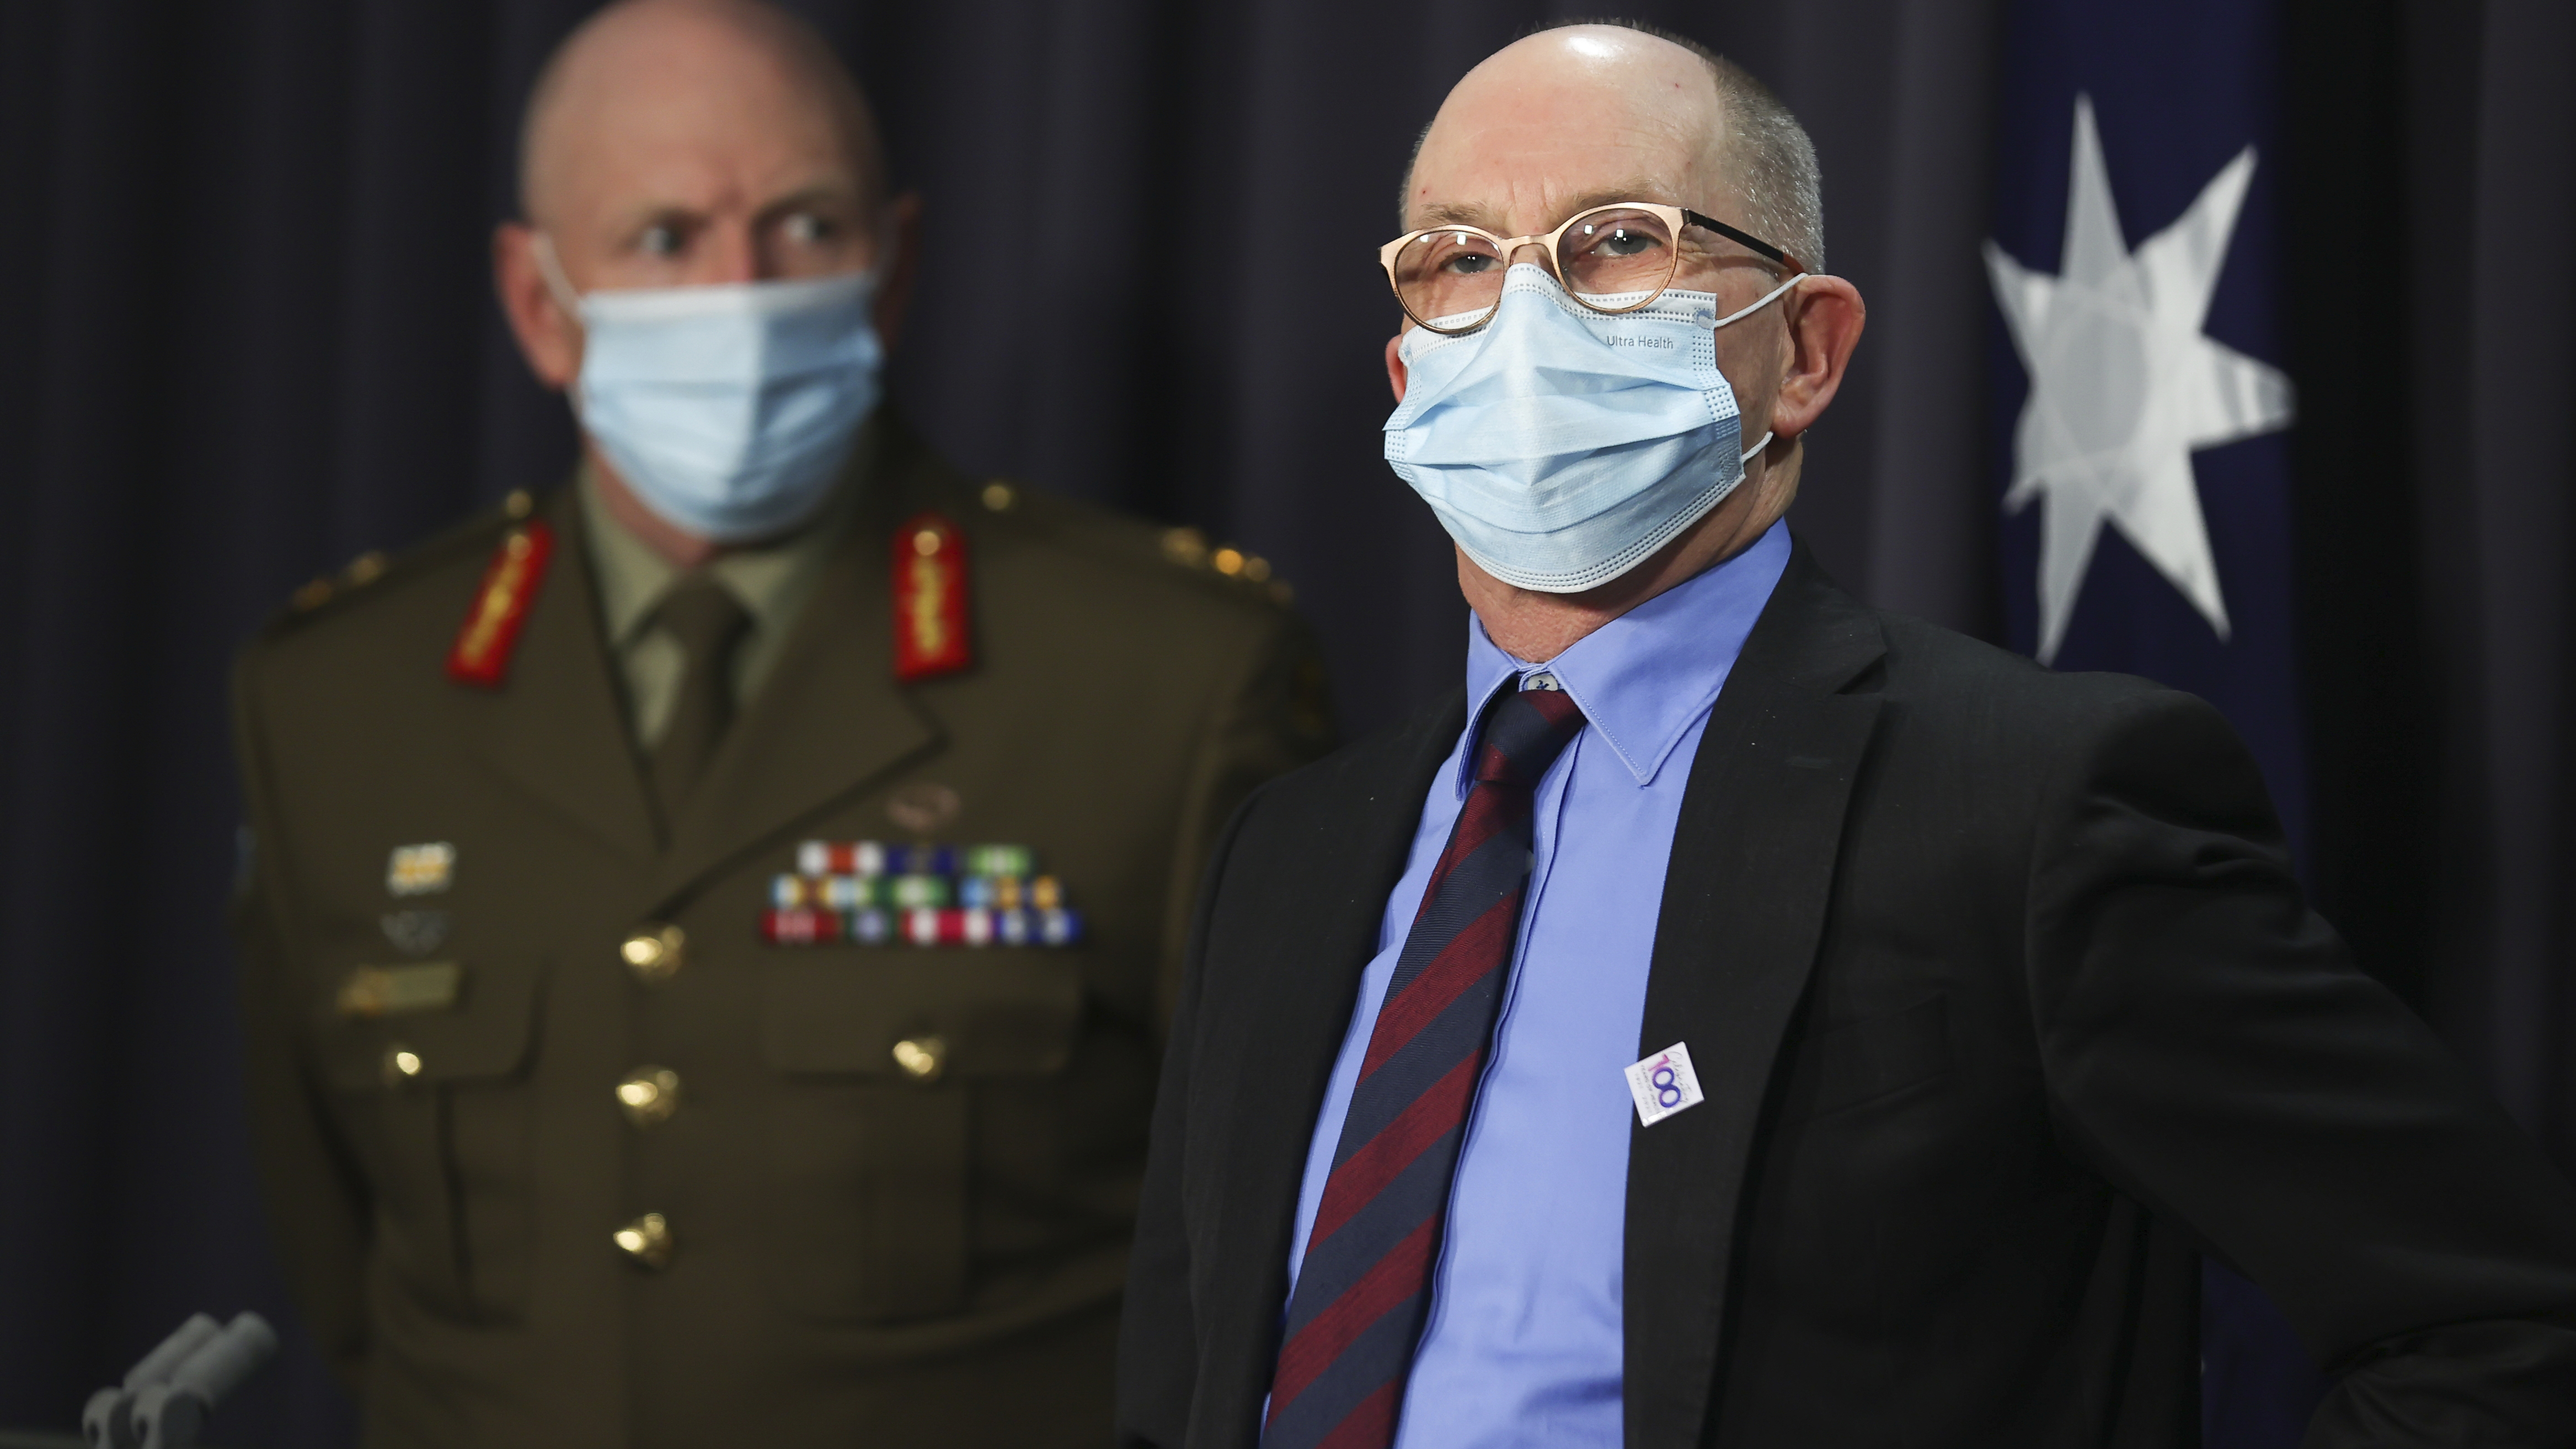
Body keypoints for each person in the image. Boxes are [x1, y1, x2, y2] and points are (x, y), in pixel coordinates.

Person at [1115, 23, 2576, 1449]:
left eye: (1617, 243)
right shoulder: (1290, 852)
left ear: (1804, 351)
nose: (1523, 319)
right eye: (1461, 261)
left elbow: (2502, 1323)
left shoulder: (2030, 805)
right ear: (1404, 373)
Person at [227, 3, 1329, 1445]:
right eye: (667, 239)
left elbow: (1272, 1261)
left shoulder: (1167, 678)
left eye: (805, 227)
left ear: (891, 268)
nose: (742, 291)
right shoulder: (338, 701)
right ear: (540, 304)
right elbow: (352, 1274)